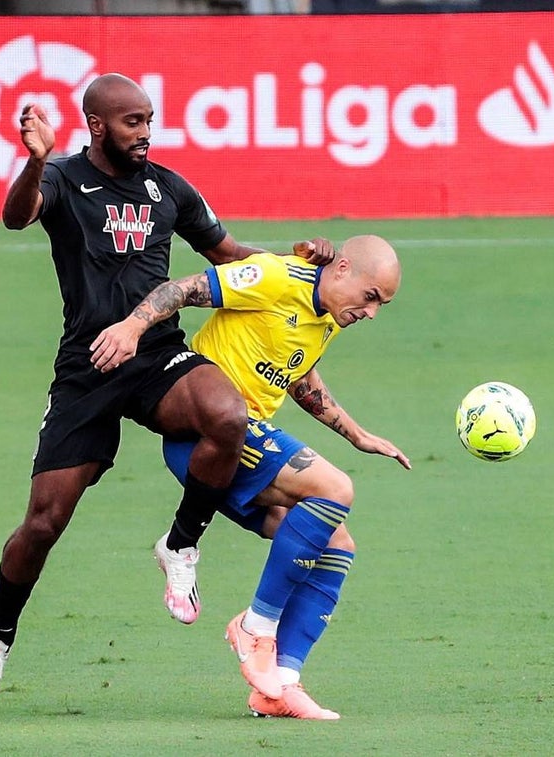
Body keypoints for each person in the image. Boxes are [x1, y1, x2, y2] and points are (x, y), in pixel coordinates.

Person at [0, 73, 333, 713]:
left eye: (149, 119)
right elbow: (15, 217)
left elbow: (229, 254)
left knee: (226, 413)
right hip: (88, 365)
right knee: (44, 522)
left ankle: (182, 543)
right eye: (133, 122)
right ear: (98, 126)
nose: (146, 132)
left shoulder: (168, 188)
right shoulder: (63, 179)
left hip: (155, 351)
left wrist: (300, 264)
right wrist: (34, 161)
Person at [92, 234, 410, 719]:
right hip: (208, 436)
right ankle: (254, 627)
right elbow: (183, 289)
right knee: (336, 488)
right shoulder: (277, 276)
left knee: (337, 543)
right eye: (371, 298)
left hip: (249, 440)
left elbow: (298, 375)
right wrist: (133, 328)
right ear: (342, 268)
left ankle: (279, 685)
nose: (372, 313)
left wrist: (356, 434)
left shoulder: (328, 316)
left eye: (383, 305)